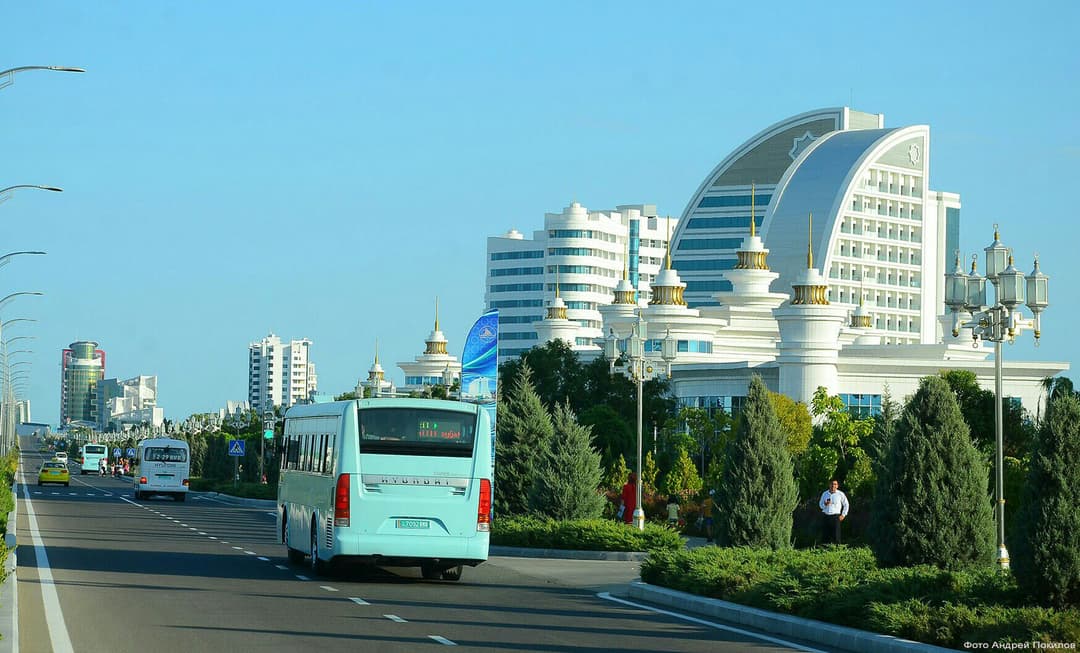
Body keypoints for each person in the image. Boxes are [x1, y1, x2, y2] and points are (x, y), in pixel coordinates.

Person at [819, 479, 850, 544]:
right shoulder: (825, 494)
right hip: (826, 516)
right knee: (825, 536)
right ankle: (824, 551)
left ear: (837, 486)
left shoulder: (840, 494)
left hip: (836, 517)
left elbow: (846, 504)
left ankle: (836, 551)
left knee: (836, 536)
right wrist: (825, 504)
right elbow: (820, 505)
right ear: (829, 485)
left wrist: (843, 515)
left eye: (835, 484)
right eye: (832, 484)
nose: (833, 485)